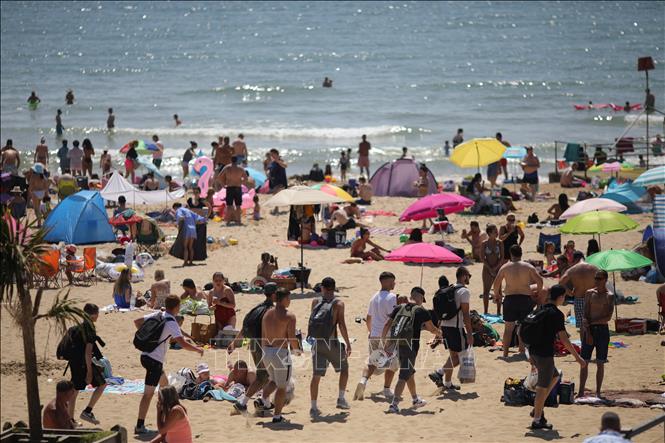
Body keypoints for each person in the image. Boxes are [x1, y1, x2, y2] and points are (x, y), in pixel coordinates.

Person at [134, 295, 204, 434]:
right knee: (148, 394)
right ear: (177, 307)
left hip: (146, 356)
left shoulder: (159, 314)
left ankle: (167, 416)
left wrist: (149, 336)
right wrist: (197, 349)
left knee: (165, 386)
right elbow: (182, 343)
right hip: (154, 361)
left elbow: (137, 322)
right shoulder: (171, 321)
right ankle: (140, 426)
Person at [527, 285, 586, 430]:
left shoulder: (539, 309)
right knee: (542, 387)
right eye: (564, 296)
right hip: (544, 354)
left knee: (555, 375)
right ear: (560, 297)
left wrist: (528, 353)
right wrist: (578, 357)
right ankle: (537, 420)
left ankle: (537, 408)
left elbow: (522, 331)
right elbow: (564, 339)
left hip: (533, 351)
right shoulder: (556, 314)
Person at [384, 287, 441, 413]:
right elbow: (432, 329)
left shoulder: (399, 307)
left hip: (398, 344)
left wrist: (385, 341)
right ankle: (394, 404)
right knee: (403, 376)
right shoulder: (421, 311)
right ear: (420, 297)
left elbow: (387, 324)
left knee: (409, 372)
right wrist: (440, 334)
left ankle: (415, 399)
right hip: (411, 347)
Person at [229, 283, 279, 416]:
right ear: (274, 294)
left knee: (267, 375)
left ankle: (265, 403)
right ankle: (242, 403)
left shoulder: (256, 309)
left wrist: (235, 342)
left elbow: (244, 328)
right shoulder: (272, 311)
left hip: (253, 345)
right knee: (264, 377)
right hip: (264, 346)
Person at [309, 277, 352, 417]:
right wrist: (348, 343)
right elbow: (341, 325)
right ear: (334, 288)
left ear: (322, 288)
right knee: (344, 369)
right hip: (331, 342)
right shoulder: (338, 303)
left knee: (316, 376)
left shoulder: (315, 302)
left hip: (317, 342)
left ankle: (313, 407)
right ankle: (341, 399)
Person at [353, 272, 399, 401]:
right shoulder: (391, 297)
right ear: (385, 282)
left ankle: (363, 381)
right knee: (392, 363)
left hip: (374, 334)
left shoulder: (373, 297)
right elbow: (393, 318)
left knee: (372, 361)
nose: (394, 283)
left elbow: (368, 318)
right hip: (387, 335)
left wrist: (370, 332)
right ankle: (386, 389)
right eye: (392, 281)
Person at [259, 288, 301, 423]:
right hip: (280, 353)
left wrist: (264, 352)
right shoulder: (289, 316)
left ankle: (263, 400)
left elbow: (263, 335)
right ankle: (277, 416)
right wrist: (297, 350)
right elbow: (292, 337)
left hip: (266, 351)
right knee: (282, 386)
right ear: (284, 299)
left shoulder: (267, 314)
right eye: (289, 298)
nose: (290, 301)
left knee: (273, 380)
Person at [428, 267, 474, 390]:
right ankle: (439, 373)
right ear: (464, 276)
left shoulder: (450, 288)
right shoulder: (464, 291)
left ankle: (448, 383)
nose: (469, 278)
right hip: (456, 328)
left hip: (445, 326)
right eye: (469, 276)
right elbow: (465, 314)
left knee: (453, 355)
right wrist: (469, 333)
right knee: (460, 357)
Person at [493, 245, 543, 358]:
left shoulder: (505, 267)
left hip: (510, 299)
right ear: (521, 253)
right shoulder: (528, 266)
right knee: (524, 327)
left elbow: (496, 283)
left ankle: (505, 353)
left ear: (511, 254)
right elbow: (540, 281)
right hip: (525, 299)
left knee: (508, 329)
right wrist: (538, 293)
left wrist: (497, 295)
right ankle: (522, 350)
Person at [69, 303, 106, 425]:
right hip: (83, 364)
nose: (98, 316)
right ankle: (87, 412)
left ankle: (70, 420)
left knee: (74, 390)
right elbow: (88, 351)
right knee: (102, 384)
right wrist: (89, 371)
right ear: (93, 315)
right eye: (97, 313)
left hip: (74, 362)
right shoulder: (89, 328)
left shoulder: (78, 327)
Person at [578, 269, 613, 398]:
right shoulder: (589, 293)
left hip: (602, 331)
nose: (596, 281)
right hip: (590, 329)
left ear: (605, 280)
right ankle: (581, 391)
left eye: (599, 278)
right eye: (595, 278)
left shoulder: (609, 295)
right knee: (584, 362)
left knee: (600, 362)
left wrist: (591, 322)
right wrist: (587, 328)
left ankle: (598, 392)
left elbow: (608, 317)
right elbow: (585, 312)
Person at [559, 251, 599, 330]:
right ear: (583, 257)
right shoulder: (594, 268)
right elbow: (603, 281)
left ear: (575, 259)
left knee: (582, 327)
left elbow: (561, 283)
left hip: (579, 299)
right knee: (594, 325)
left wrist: (570, 293)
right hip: (592, 298)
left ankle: (583, 338)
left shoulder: (572, 270)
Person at [480, 224, 504, 314]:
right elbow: (482, 258)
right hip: (487, 268)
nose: (497, 233)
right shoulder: (484, 243)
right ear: (489, 233)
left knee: (498, 291)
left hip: (497, 268)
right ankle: (486, 311)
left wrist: (495, 267)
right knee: (486, 291)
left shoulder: (500, 243)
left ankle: (498, 312)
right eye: (495, 232)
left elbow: (501, 257)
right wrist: (490, 268)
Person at [218, 156, 247, 225]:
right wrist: (241, 182)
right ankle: (239, 221)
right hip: (238, 187)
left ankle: (228, 221)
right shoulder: (240, 168)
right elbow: (246, 178)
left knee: (229, 205)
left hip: (230, 187)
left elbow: (219, 177)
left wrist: (223, 184)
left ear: (231, 160)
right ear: (237, 160)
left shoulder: (227, 167)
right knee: (238, 205)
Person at [28, 163, 49, 227]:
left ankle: (39, 223)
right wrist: (46, 194)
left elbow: (30, 186)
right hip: (42, 193)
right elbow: (46, 187)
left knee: (36, 209)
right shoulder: (44, 177)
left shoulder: (33, 176)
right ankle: (45, 219)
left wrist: (30, 193)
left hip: (35, 193)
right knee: (39, 206)